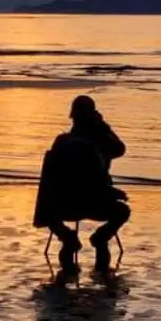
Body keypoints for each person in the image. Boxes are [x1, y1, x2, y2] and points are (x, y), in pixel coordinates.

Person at [33, 95, 130, 274]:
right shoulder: (99, 144)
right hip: (93, 203)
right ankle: (100, 238)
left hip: (64, 206)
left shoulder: (61, 142)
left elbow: (51, 182)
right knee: (123, 211)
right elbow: (118, 150)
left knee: (48, 209)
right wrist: (102, 126)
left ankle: (67, 237)